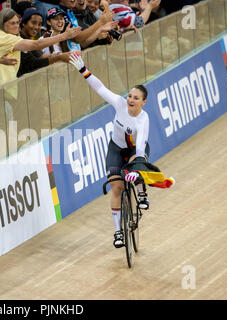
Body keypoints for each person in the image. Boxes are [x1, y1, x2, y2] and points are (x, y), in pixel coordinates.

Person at [69, 51, 150, 248]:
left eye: (136, 98)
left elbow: (140, 147)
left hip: (133, 152)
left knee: (136, 169)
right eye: (130, 95)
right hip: (116, 148)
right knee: (117, 187)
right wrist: (83, 70)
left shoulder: (143, 119)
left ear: (143, 102)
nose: (131, 99)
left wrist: (136, 169)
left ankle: (141, 193)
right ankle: (118, 233)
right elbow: (101, 88)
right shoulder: (120, 104)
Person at [0, 7, 81, 98]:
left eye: (17, 22)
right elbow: (35, 46)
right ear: (2, 23)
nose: (16, 26)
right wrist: (64, 36)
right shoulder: (6, 38)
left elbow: (38, 54)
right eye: (12, 23)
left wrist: (57, 56)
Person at [17, 8, 73, 77]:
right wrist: (58, 57)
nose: (37, 27)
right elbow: (33, 64)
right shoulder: (18, 40)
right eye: (33, 23)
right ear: (23, 23)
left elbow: (42, 56)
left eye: (40, 24)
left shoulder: (31, 41)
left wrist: (59, 56)